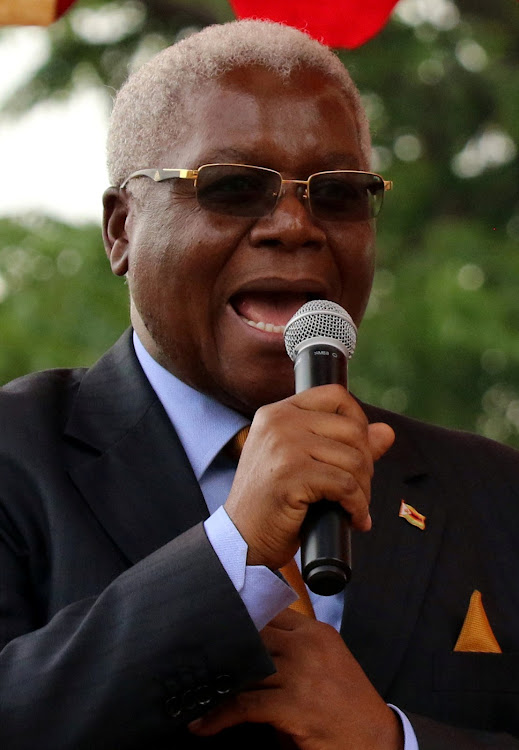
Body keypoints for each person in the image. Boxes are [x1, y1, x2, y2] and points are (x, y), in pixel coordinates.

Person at [0, 19, 518, 750]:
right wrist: (232, 552)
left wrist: (392, 742)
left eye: (337, 194)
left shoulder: (493, 495)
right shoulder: (16, 457)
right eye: (233, 187)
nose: (292, 224)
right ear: (120, 230)